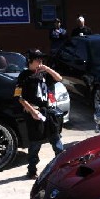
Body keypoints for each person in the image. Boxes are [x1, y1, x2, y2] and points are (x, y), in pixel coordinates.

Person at [15, 49, 64, 179]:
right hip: (34, 112)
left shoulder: (44, 74)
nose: (40, 62)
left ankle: (62, 166)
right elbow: (19, 97)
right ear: (30, 61)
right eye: (38, 59)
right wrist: (32, 111)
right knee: (35, 143)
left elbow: (59, 78)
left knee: (56, 139)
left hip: (48, 111)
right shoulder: (24, 76)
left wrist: (47, 69)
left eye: (41, 59)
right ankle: (32, 169)